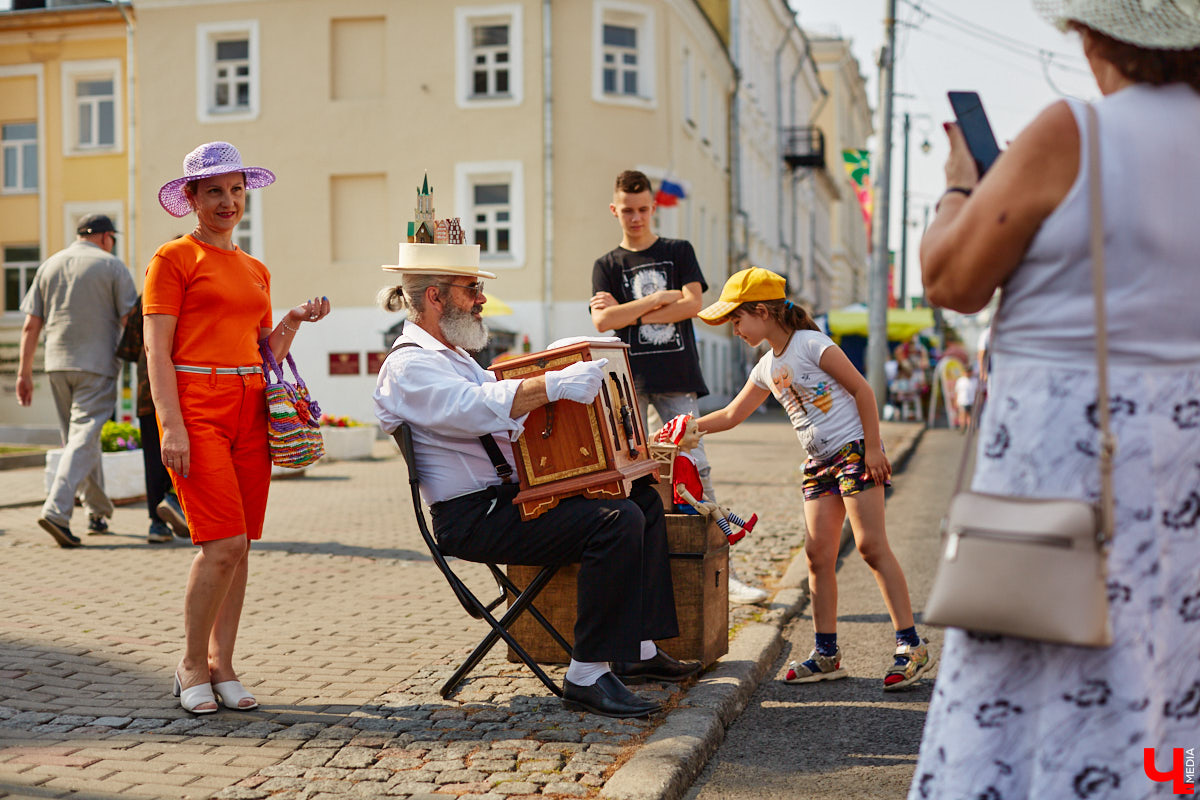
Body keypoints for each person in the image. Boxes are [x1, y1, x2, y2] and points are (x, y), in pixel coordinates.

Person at [910, 3, 1200, 796]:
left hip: (1066, 462)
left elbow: (952, 280)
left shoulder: (1074, 131)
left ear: (1098, 34)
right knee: (1168, 672)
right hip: (1181, 460)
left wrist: (960, 186)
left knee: (1032, 670)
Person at [374, 251, 700, 720]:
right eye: (472, 289)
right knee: (615, 520)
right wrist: (551, 383)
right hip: (474, 516)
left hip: (510, 499)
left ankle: (636, 649)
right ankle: (586, 674)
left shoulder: (454, 357)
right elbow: (472, 407)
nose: (481, 299)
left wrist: (560, 367)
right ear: (434, 297)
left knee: (642, 498)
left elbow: (499, 399)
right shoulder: (408, 365)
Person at [144, 141, 331, 715]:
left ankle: (222, 664)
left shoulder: (256, 269)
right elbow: (156, 351)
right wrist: (171, 425)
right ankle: (190, 663)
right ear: (192, 198)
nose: (228, 201)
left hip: (251, 406)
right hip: (197, 405)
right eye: (215, 192)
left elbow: (264, 352)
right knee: (220, 542)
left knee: (241, 545)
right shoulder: (173, 258)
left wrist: (292, 321)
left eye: (236, 190)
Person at [693, 267, 934, 691]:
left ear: (762, 312)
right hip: (818, 464)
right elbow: (731, 414)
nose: (735, 330)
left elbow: (863, 391)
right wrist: (687, 429)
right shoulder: (766, 366)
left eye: (737, 319)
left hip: (854, 451)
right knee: (817, 556)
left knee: (871, 547)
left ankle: (911, 645)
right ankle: (826, 654)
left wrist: (874, 448)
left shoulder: (810, 344)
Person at [590, 169, 767, 605]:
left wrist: (628, 311)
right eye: (627, 210)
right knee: (636, 474)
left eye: (642, 209)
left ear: (654, 208)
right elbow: (602, 322)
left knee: (696, 468)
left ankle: (723, 571)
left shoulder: (678, 250)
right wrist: (656, 299)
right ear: (614, 210)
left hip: (677, 377)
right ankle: (652, 574)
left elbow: (693, 304)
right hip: (628, 383)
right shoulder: (607, 265)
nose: (635, 217)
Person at [16, 213, 138, 548]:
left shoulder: (49, 265)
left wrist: (24, 372)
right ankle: (56, 510)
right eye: (113, 238)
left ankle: (97, 511)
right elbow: (129, 320)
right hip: (97, 365)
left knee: (80, 441)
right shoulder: (113, 266)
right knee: (82, 439)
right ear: (105, 237)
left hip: (56, 365)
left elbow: (30, 325)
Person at [115, 295, 190, 544]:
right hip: (186, 390)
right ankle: (175, 501)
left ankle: (157, 524)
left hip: (149, 390)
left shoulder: (146, 297)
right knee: (191, 453)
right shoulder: (192, 292)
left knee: (154, 458)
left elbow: (129, 347)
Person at [653, 413, 757, 545]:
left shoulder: (689, 460)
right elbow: (680, 489)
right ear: (680, 436)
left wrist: (705, 499)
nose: (698, 435)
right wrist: (696, 504)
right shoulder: (681, 461)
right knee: (714, 508)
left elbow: (694, 486)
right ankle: (730, 536)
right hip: (686, 505)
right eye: (694, 432)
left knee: (717, 506)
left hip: (694, 500)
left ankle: (745, 525)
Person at [952, 365, 978, 431]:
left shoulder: (975, 381)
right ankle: (962, 428)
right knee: (962, 415)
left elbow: (977, 392)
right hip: (962, 401)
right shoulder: (960, 380)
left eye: (969, 372)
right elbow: (956, 391)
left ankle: (970, 428)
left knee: (970, 415)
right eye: (966, 372)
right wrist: (955, 401)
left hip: (972, 401)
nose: (967, 373)